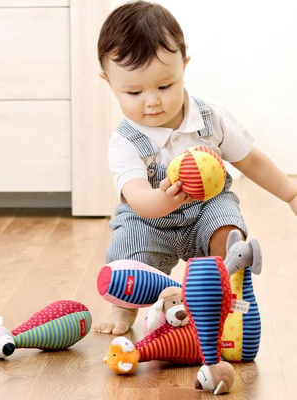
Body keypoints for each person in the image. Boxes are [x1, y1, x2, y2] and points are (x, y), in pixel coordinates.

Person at [94, 1, 297, 335]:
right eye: (133, 91)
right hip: (150, 220)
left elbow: (250, 159)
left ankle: (219, 297)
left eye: (164, 86)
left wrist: (289, 193)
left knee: (228, 231)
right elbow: (139, 199)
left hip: (205, 210)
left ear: (184, 67)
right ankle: (124, 308)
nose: (152, 101)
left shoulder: (211, 119)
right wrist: (168, 199)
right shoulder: (125, 142)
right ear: (109, 83)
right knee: (126, 252)